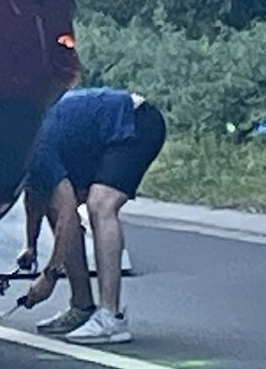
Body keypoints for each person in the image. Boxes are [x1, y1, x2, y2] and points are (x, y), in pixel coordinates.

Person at [13, 87, 168, 344]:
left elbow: (69, 217)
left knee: (100, 205)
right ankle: (82, 306)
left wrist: (49, 277)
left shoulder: (34, 145)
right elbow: (35, 193)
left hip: (136, 121)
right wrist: (30, 244)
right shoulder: (22, 147)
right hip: (99, 135)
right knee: (56, 208)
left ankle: (111, 317)